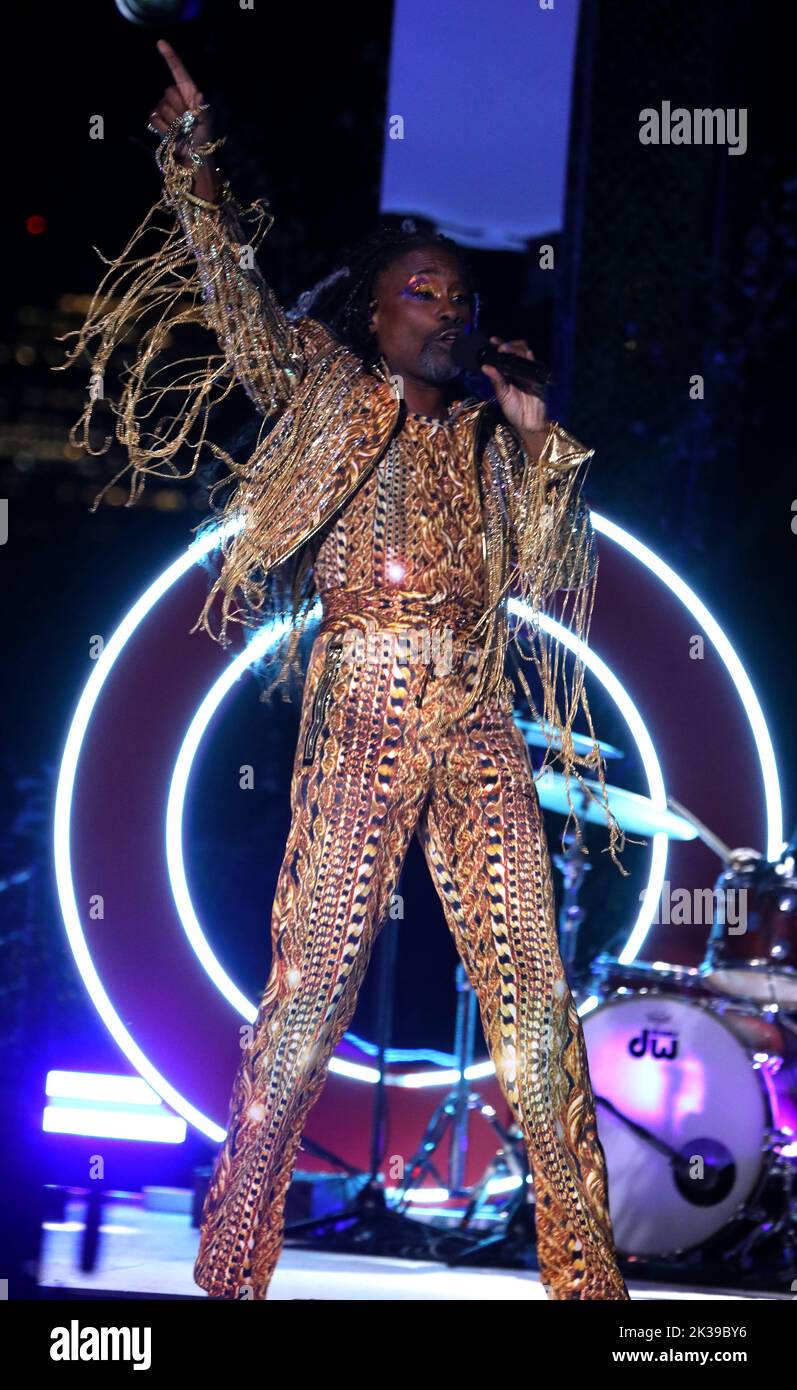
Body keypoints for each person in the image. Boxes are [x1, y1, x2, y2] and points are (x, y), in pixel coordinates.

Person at [59, 39, 629, 1300]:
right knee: (308, 1004)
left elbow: (537, 579)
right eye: (424, 293)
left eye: (463, 300)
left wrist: (540, 450)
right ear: (376, 313)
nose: (451, 311)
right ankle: (230, 1271)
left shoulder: (495, 443)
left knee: (535, 1015)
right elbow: (238, 302)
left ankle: (590, 1291)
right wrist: (195, 162)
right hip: (363, 706)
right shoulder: (325, 392)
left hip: (475, 716)